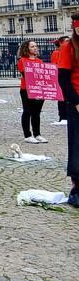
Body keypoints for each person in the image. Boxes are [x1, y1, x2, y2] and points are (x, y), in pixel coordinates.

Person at [54, 12, 79, 207]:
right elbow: (63, 79)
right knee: (77, 145)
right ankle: (77, 187)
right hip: (77, 103)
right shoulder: (68, 47)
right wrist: (76, 102)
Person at [17, 40, 47, 144]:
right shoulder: (22, 61)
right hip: (27, 90)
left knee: (37, 113)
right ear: (27, 49)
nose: (35, 48)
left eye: (35, 46)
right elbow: (26, 76)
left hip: (39, 90)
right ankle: (27, 135)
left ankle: (37, 134)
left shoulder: (39, 61)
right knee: (27, 111)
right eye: (32, 46)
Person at [52, 36, 69, 124]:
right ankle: (62, 116)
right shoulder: (56, 52)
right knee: (62, 98)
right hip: (61, 78)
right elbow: (55, 66)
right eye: (66, 41)